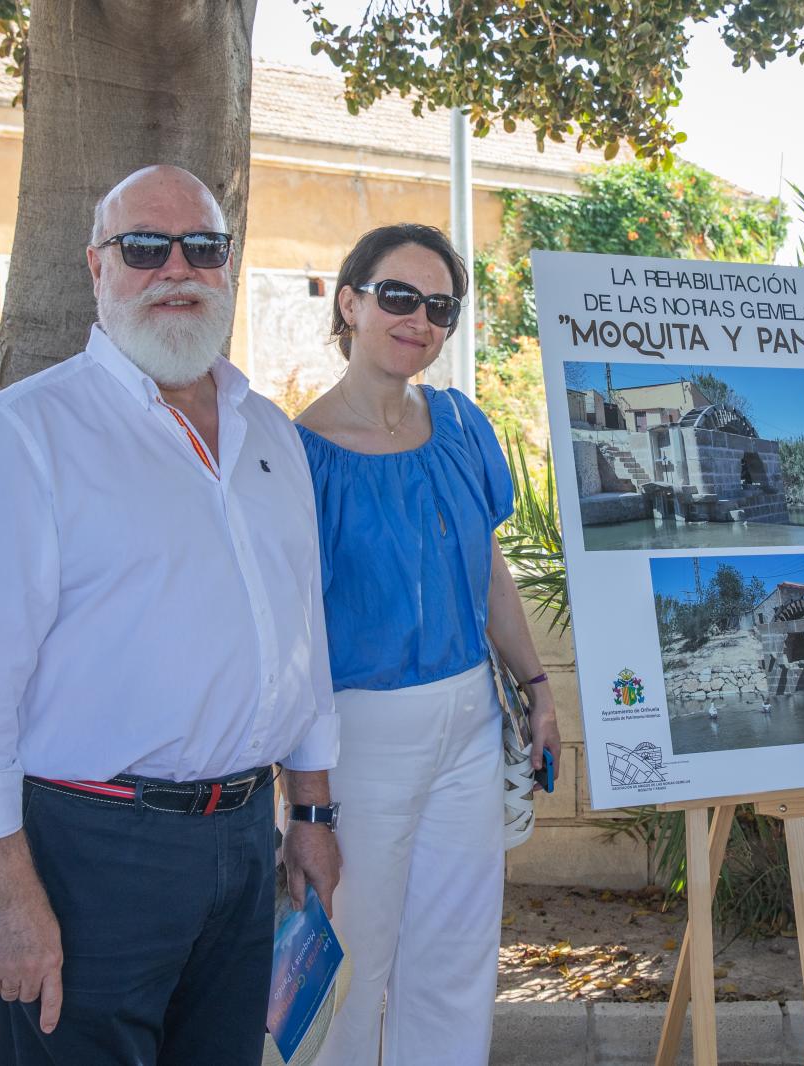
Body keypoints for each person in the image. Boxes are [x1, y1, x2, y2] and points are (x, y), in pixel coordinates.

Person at [0, 165, 341, 1066]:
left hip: (245, 839)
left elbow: (303, 637)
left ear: (227, 264)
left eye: (203, 246)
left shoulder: (271, 434)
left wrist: (313, 812)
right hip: (89, 854)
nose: (176, 268)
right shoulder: (22, 435)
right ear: (96, 267)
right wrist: (7, 897)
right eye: (144, 246)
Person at [295, 223, 562, 1066]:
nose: (419, 320)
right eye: (398, 297)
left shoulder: (460, 425)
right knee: (347, 964)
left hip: (470, 723)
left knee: (455, 961)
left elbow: (489, 572)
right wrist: (303, 794)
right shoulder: (297, 455)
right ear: (350, 303)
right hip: (357, 736)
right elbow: (290, 635)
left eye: (439, 307)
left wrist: (537, 687)